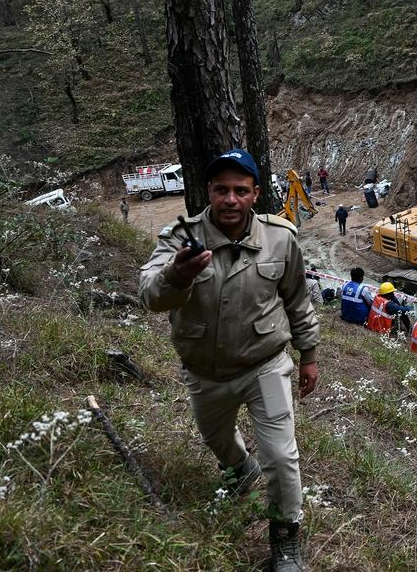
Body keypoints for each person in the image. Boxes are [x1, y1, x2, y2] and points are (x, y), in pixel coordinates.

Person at [139, 149, 318, 572]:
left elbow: (297, 299)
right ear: (209, 193)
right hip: (206, 372)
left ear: (256, 194)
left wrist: (308, 354)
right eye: (222, 190)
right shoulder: (181, 236)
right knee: (217, 441)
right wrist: (177, 274)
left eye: (241, 190)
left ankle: (286, 537)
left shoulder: (281, 237)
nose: (231, 199)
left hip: (266, 365)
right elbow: (149, 294)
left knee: (281, 456)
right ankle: (240, 468)